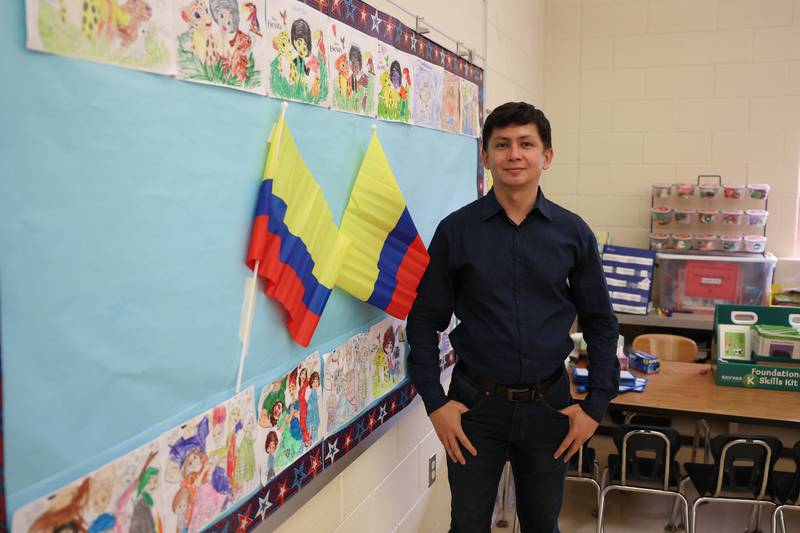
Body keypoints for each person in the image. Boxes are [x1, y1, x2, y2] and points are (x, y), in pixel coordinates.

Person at [407, 101, 619, 533]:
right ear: (485, 156)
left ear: (547, 156)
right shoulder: (456, 231)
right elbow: (425, 321)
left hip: (550, 409)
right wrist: (435, 403)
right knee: (467, 524)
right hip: (473, 408)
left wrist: (595, 405)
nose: (514, 154)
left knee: (542, 523)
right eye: (501, 145)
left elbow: (600, 321)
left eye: (526, 144)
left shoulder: (573, 233)